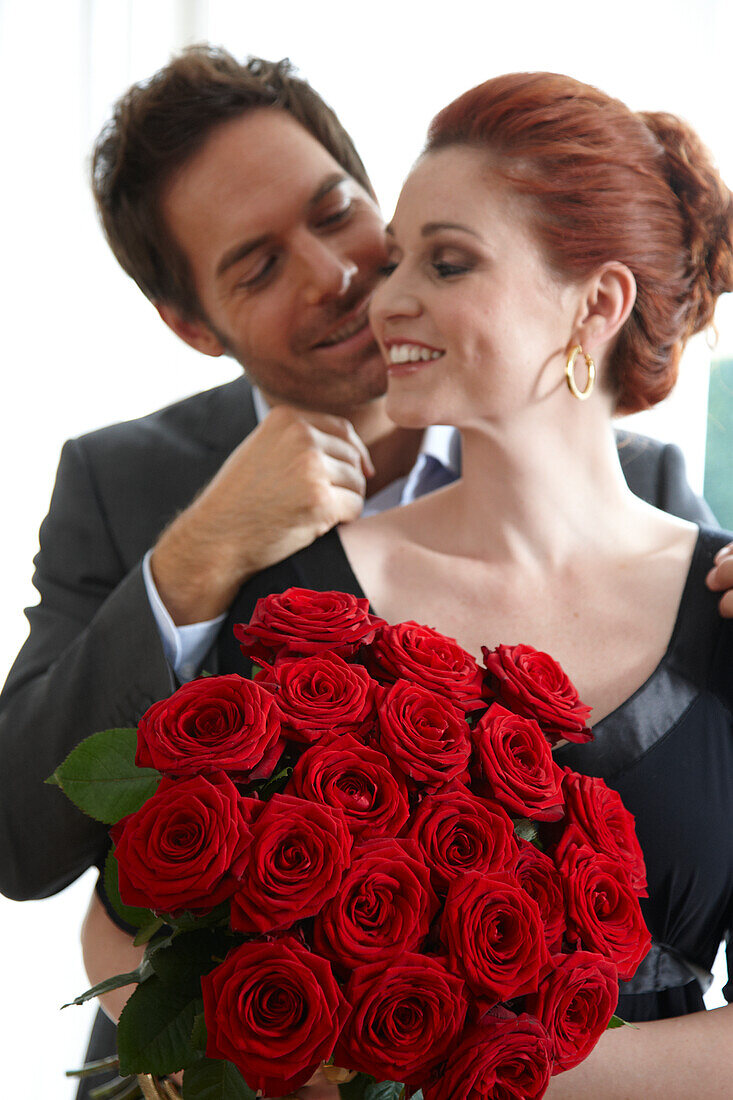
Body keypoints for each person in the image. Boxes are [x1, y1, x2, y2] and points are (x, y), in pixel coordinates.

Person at [3, 48, 733, 1098]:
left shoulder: (679, 530)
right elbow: (64, 866)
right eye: (256, 266)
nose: (354, 283)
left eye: (349, 221)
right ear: (192, 324)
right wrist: (203, 550)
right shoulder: (172, 516)